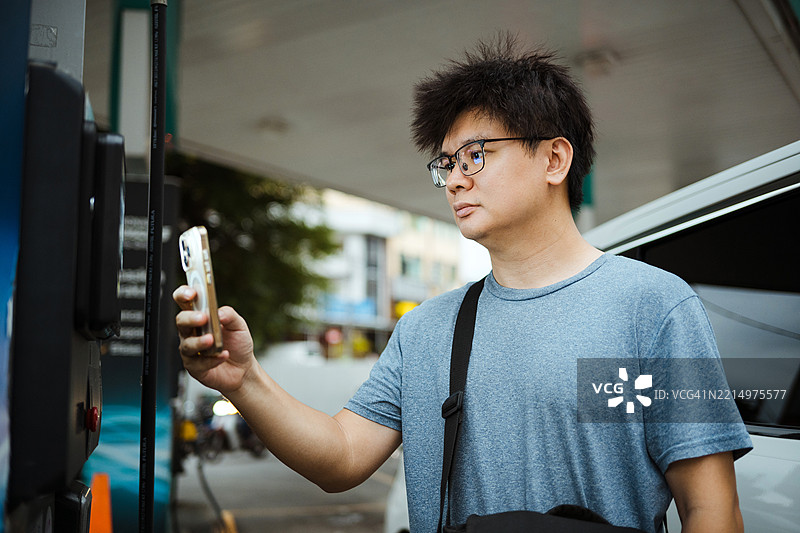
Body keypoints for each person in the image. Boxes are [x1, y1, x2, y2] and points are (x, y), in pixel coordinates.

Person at [175, 35, 752, 533]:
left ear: (554, 160)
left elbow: (712, 509)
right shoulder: (426, 329)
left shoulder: (654, 307)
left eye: (475, 155)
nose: (454, 180)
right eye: (445, 164)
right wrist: (244, 380)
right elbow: (342, 458)